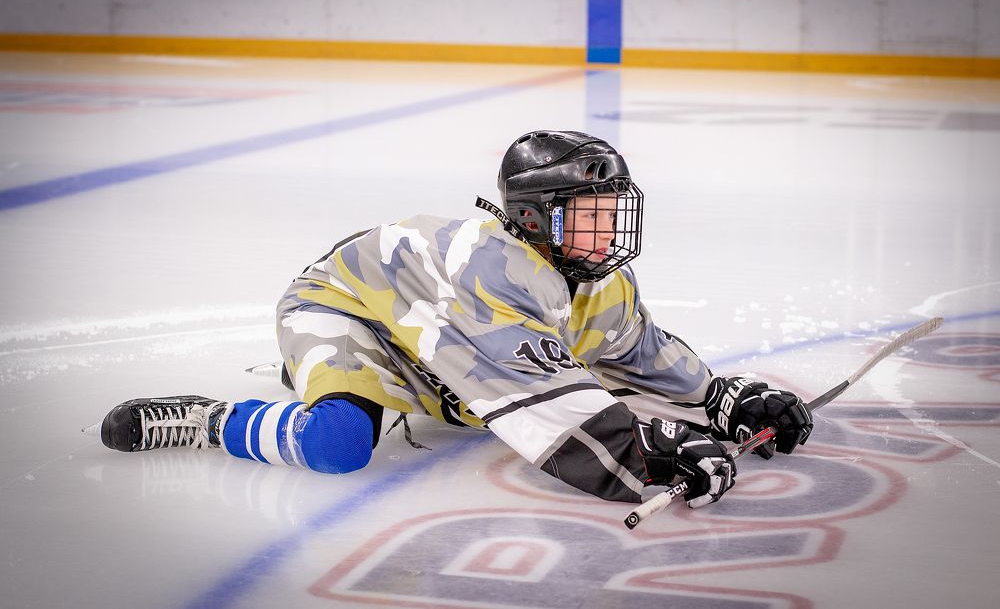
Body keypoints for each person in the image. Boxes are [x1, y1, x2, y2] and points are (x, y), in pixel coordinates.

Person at [93, 130, 812, 508]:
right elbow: (552, 412)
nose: (608, 233)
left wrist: (722, 398)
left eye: (612, 212)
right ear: (535, 220)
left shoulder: (594, 277)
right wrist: (653, 450)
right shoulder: (493, 272)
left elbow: (637, 351)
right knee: (338, 443)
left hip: (431, 330)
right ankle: (212, 420)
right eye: (589, 216)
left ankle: (335, 378)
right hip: (350, 311)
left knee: (472, 404)